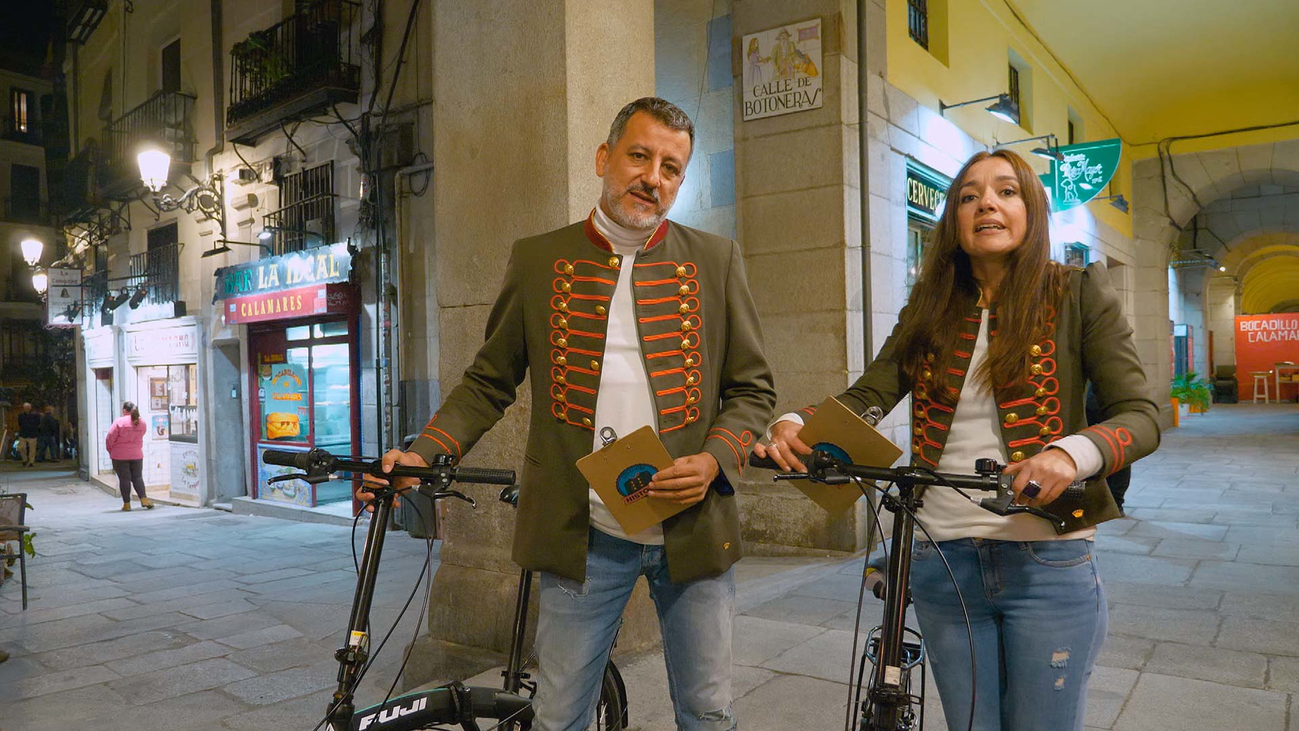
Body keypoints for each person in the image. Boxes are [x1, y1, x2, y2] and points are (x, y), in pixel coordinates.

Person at [359, 97, 775, 731]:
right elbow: (487, 382)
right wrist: (425, 453)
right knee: (557, 716)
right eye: (639, 156)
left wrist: (715, 459)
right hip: (587, 531)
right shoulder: (539, 259)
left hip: (693, 524)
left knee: (708, 711)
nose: (652, 178)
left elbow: (752, 390)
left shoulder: (715, 260)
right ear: (605, 158)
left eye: (671, 167)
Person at [756, 149, 1159, 731]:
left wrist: (1070, 454)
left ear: (1032, 209)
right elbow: (870, 393)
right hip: (941, 556)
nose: (986, 204)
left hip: (1045, 556)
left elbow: (1140, 415)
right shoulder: (931, 304)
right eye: (969, 195)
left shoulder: (1076, 292)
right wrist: (794, 423)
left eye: (1006, 191)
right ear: (953, 218)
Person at [106, 402, 153, 511]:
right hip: (136, 454)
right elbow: (142, 434)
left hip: (119, 456)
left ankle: (127, 504)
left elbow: (110, 437)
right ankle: (144, 499)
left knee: (124, 479)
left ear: (124, 410)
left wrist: (111, 450)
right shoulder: (142, 422)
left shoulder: (119, 422)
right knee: (137, 477)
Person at [15, 403, 40, 467]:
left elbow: (37, 423)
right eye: (25, 408)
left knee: (32, 449)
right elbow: (19, 423)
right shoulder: (21, 415)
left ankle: (31, 461)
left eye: (28, 407)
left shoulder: (35, 415)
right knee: (22, 448)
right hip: (23, 434)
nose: (27, 409)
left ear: (30, 408)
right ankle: (25, 460)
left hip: (32, 434)